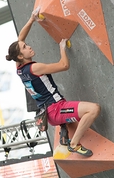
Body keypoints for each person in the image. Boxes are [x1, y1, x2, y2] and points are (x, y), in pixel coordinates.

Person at [6, 9, 101, 157]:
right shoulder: (34, 68)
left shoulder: (19, 68)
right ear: (20, 55)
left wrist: (31, 19)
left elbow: (20, 38)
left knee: (76, 118)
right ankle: (74, 144)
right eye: (25, 47)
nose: (29, 46)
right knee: (93, 109)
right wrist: (62, 48)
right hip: (56, 109)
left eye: (26, 44)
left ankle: (65, 130)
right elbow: (64, 65)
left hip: (50, 111)